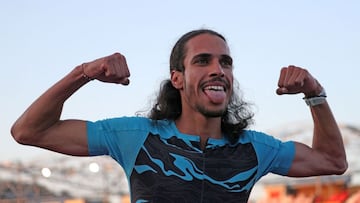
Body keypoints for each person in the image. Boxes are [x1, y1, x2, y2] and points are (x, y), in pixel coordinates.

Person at [11, 29, 347, 202]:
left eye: (225, 62)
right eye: (203, 61)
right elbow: (29, 131)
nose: (218, 70)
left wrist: (315, 93)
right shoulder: (136, 136)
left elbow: (332, 161)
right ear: (178, 78)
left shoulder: (255, 149)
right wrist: (82, 73)